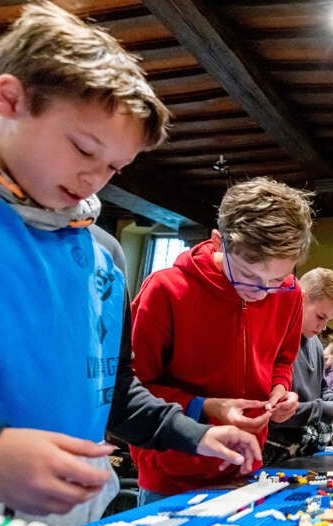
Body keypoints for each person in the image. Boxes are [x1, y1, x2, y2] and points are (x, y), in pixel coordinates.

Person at [0, 1, 261, 526]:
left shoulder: (101, 251)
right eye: (83, 148)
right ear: (10, 99)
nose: (94, 180)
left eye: (114, 167)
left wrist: (195, 435)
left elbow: (115, 391)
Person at [129, 176, 312, 503]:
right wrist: (208, 407)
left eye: (275, 279)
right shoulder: (166, 291)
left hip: (244, 469)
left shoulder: (290, 295)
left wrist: (280, 391)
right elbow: (133, 389)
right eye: (248, 276)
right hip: (170, 475)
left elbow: (282, 360)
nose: (261, 293)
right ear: (219, 241)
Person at [262, 268, 333, 465]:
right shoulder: (275, 338)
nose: (323, 327)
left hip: (304, 453)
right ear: (301, 299)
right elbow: (275, 410)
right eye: (320, 317)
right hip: (274, 451)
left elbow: (321, 390)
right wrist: (326, 411)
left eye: (329, 320)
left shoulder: (314, 342)